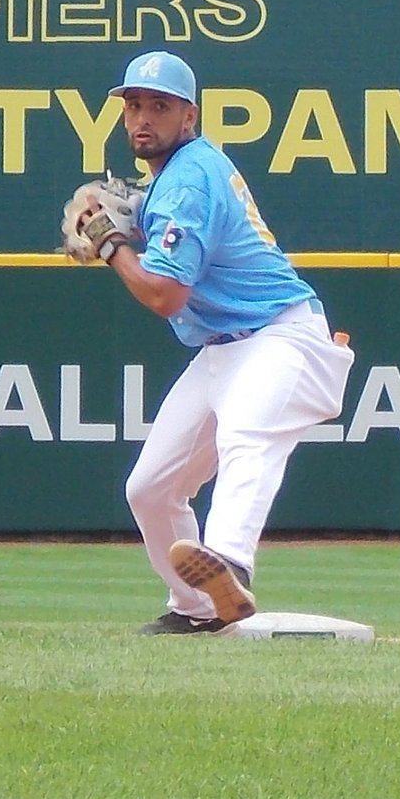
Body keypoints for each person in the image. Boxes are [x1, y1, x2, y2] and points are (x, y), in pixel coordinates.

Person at [79, 49, 355, 635]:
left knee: (247, 435)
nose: (142, 118)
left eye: (160, 106)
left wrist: (111, 245)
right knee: (151, 488)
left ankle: (229, 562)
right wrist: (128, 233)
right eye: (133, 106)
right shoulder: (169, 181)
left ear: (190, 117)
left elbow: (164, 296)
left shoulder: (188, 180)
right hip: (223, 349)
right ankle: (199, 609)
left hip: (281, 337)